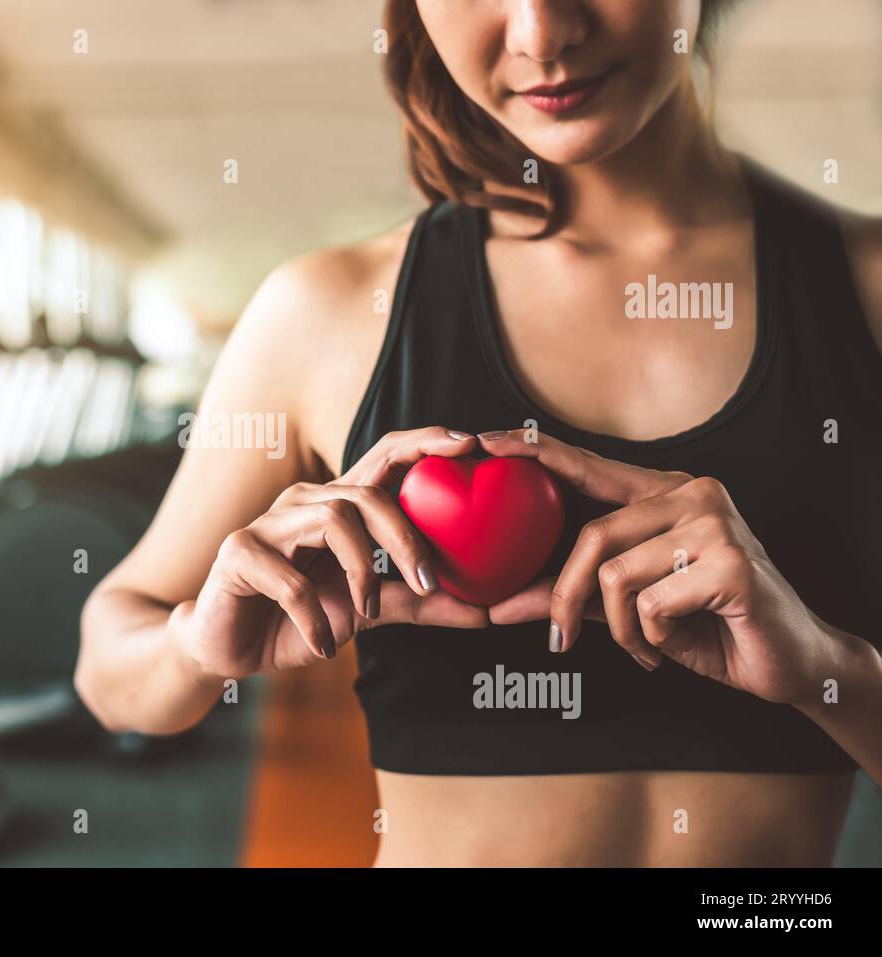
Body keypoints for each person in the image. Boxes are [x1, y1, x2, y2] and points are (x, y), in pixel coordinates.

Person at [75, 0, 882, 865]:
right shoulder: (330, 313)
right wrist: (195, 647)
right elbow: (108, 662)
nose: (541, 33)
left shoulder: (866, 293)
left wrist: (825, 666)